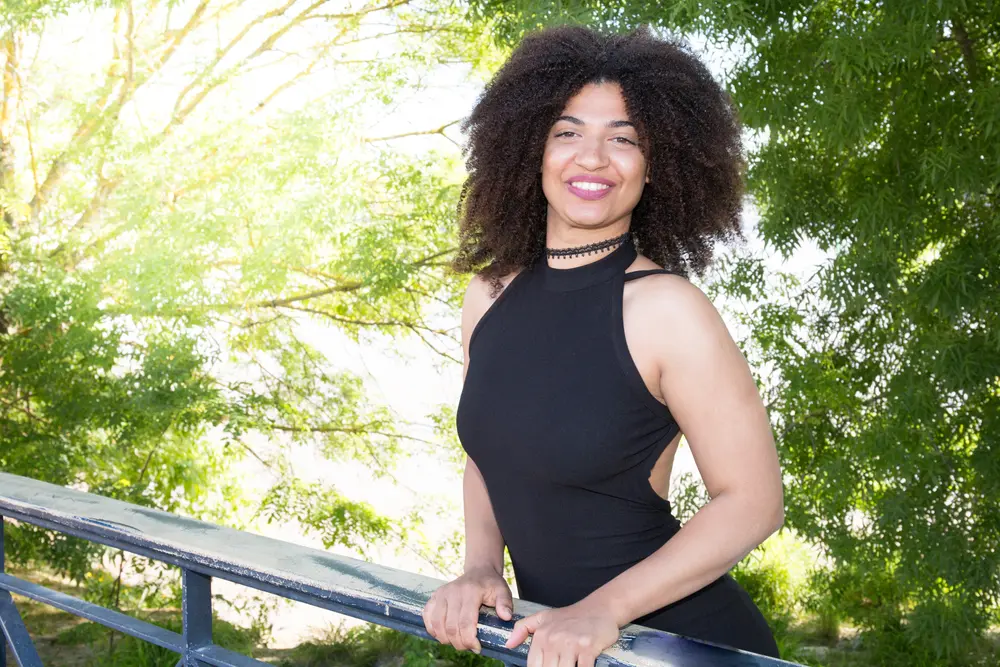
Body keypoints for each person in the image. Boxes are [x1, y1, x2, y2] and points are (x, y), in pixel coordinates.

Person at [422, 24, 784, 664]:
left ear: (658, 165)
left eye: (624, 139)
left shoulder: (666, 308)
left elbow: (753, 503)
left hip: (677, 645)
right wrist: (481, 566)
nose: (592, 157)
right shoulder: (490, 293)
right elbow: (491, 452)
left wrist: (602, 610)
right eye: (568, 132)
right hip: (558, 643)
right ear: (529, 149)